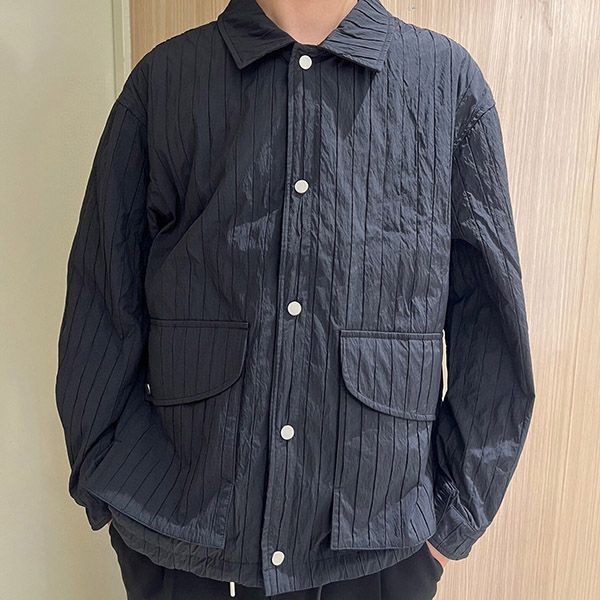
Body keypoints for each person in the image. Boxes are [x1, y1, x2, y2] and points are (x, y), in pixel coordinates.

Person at [54, 0, 536, 598]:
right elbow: (102, 302)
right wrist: (113, 484)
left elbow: (491, 328)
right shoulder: (166, 82)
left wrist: (450, 522)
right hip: (183, 539)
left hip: (378, 547)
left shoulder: (446, 87)